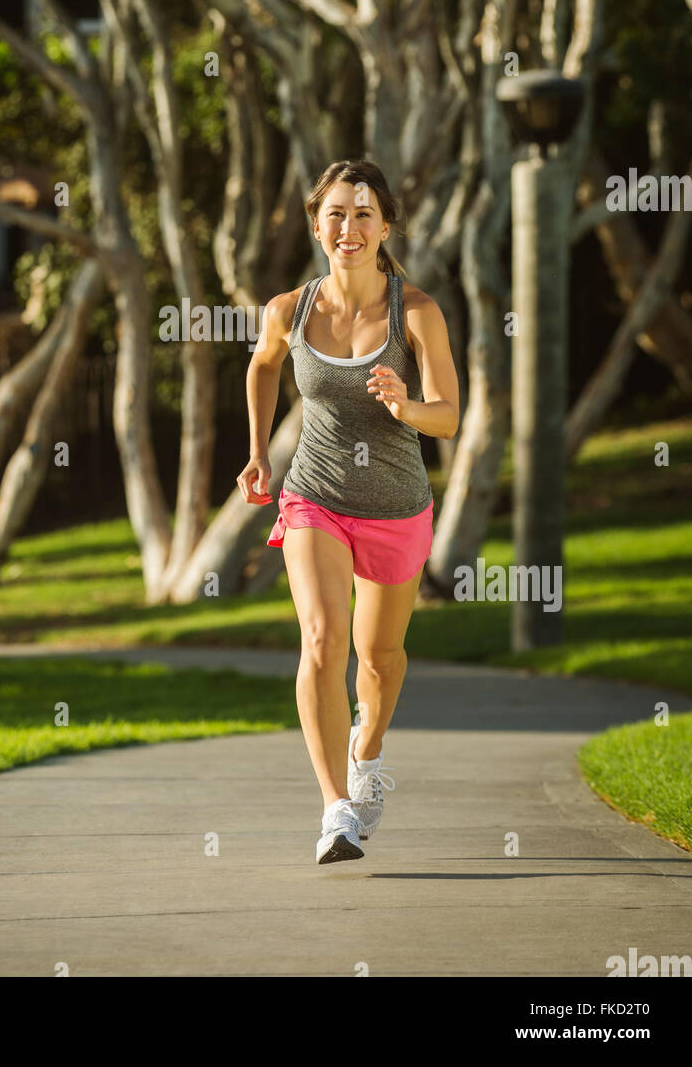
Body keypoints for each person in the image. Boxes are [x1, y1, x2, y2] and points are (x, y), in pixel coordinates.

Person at [237, 159, 460, 864]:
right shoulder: (288, 311)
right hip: (315, 495)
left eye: (363, 214)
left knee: (379, 657)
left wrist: (405, 406)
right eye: (335, 213)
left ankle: (366, 752)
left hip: (397, 503)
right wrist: (258, 453)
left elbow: (449, 417)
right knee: (324, 640)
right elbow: (263, 364)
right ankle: (337, 809)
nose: (349, 227)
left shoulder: (415, 310)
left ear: (385, 226)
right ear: (316, 225)